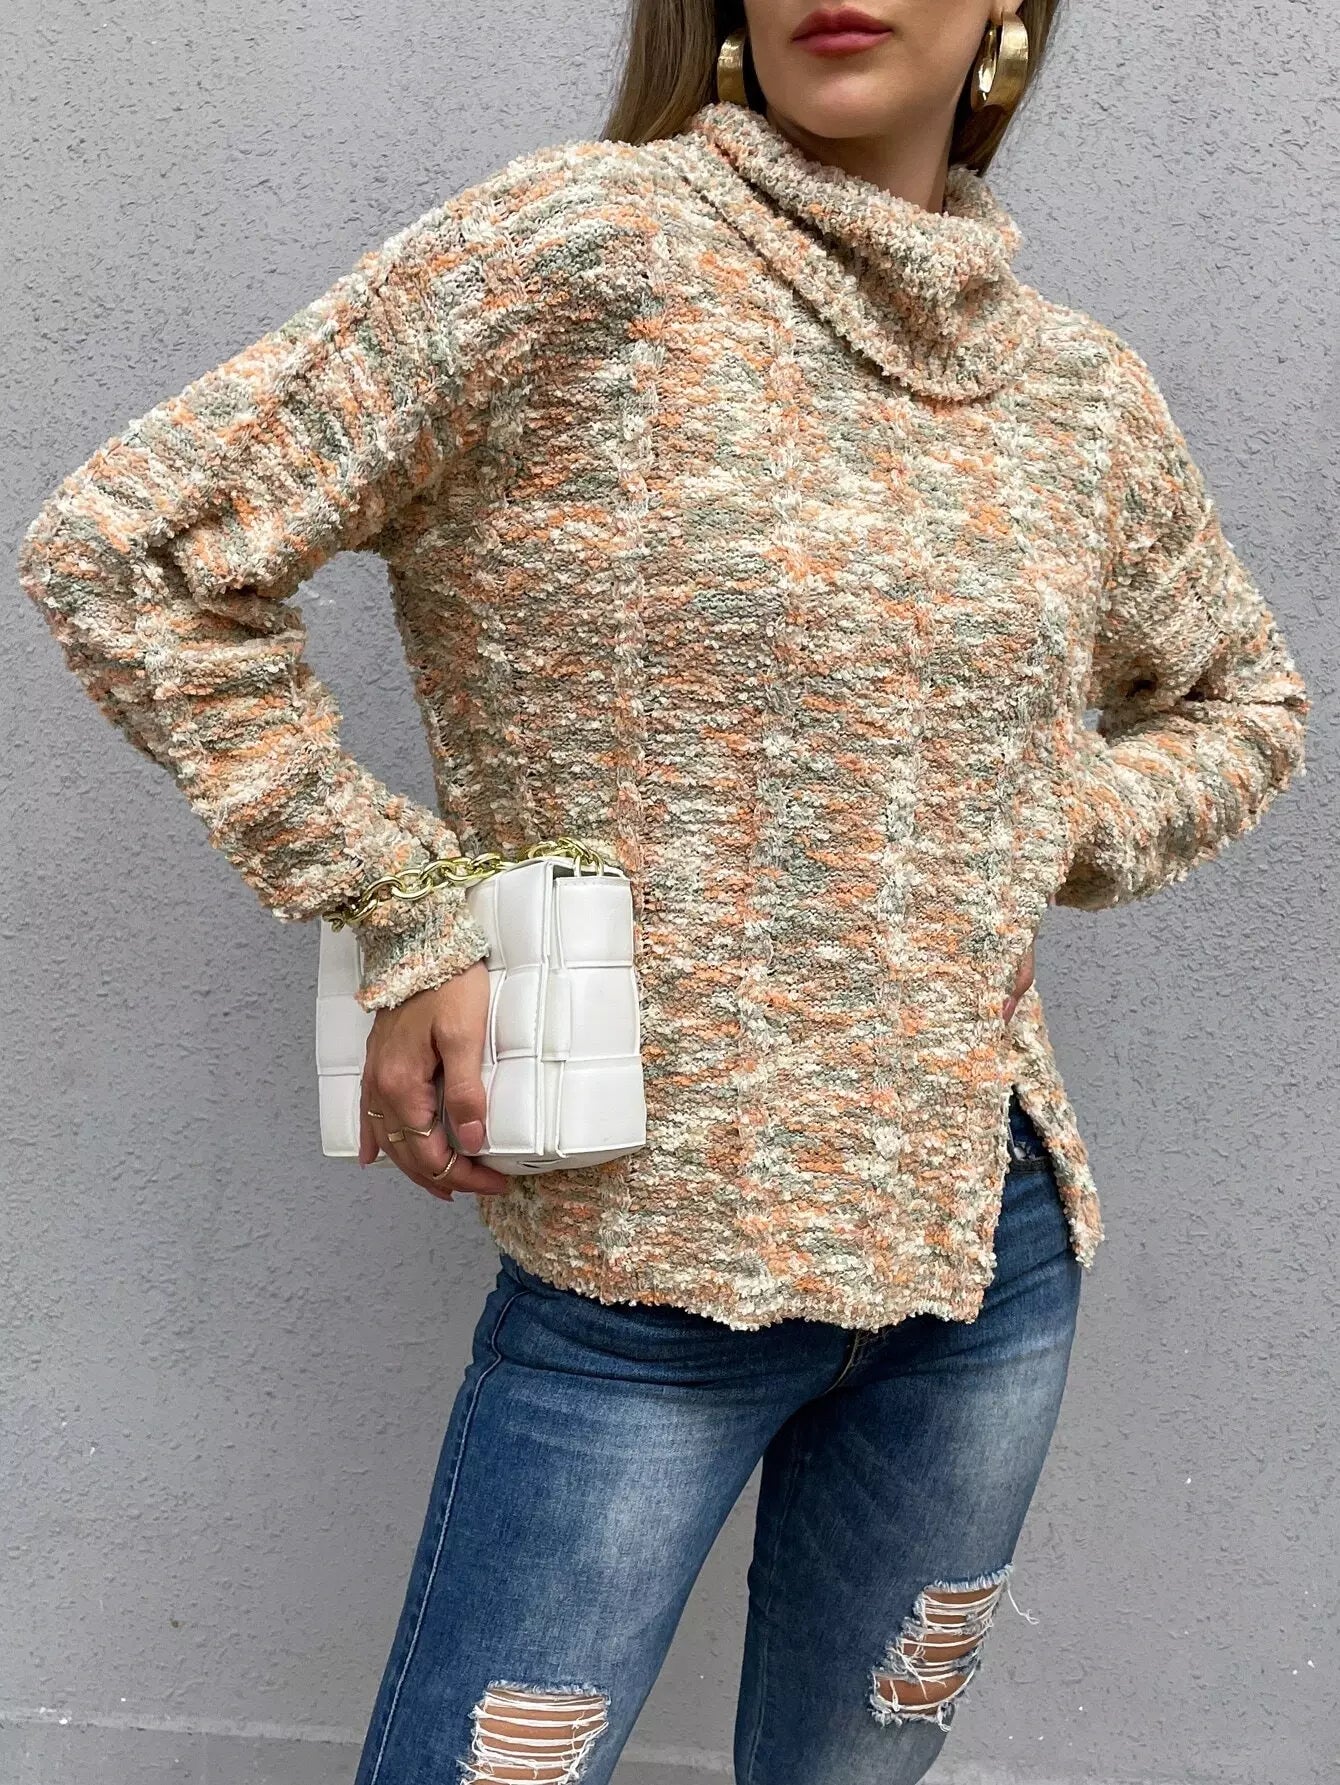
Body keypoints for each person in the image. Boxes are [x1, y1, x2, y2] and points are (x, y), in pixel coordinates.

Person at [18, 1, 1310, 1779]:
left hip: (984, 1255)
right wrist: (402, 901)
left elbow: (1245, 699)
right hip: (640, 1272)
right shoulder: (584, 250)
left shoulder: (1077, 390)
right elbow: (132, 554)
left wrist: (1043, 821)